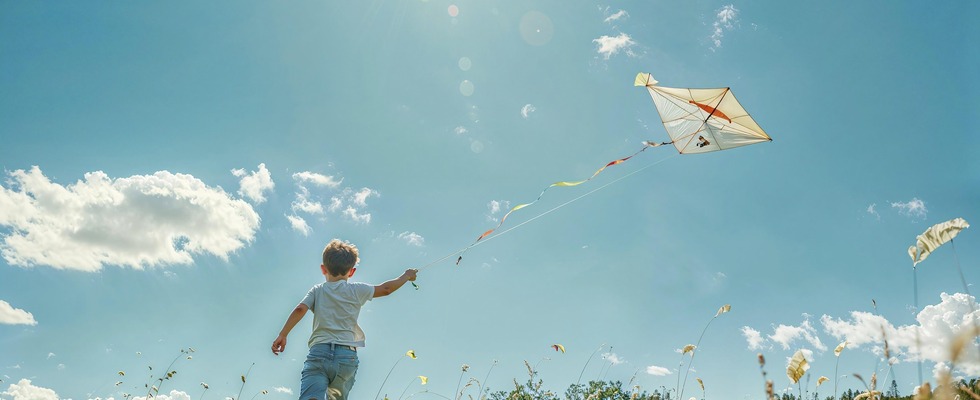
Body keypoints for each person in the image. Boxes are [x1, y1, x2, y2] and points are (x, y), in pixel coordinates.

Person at [272, 239, 418, 400]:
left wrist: (283, 334)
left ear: (323, 269)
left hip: (319, 352)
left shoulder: (317, 290)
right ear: (351, 272)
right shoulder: (357, 290)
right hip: (346, 356)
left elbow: (300, 309)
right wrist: (406, 276)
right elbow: (386, 289)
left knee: (311, 394)